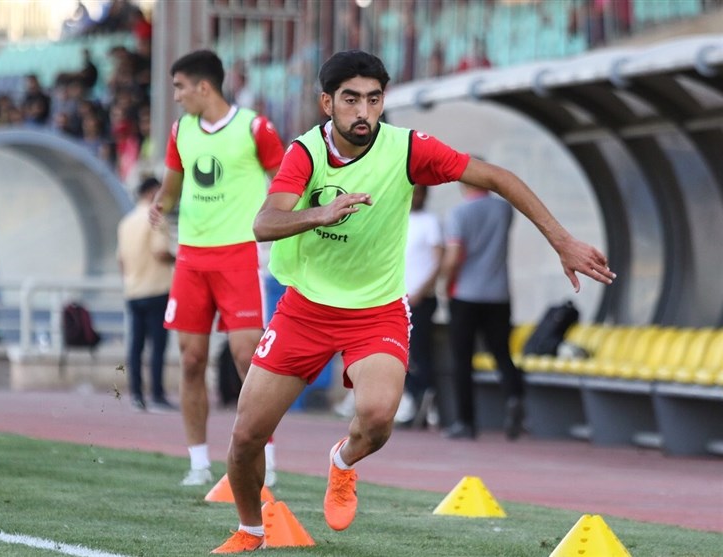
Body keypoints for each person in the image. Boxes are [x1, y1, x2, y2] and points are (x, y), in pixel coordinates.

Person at [212, 49, 615, 554]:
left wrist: (563, 241)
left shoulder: (407, 149)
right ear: (327, 103)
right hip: (305, 309)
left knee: (379, 418)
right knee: (246, 437)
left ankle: (342, 462)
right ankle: (250, 531)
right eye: (351, 100)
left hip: (376, 310)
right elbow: (264, 223)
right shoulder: (306, 153)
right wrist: (320, 213)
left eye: (373, 99)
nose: (363, 111)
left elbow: (497, 178)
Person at [148, 50, 285, 488]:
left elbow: (287, 181)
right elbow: (172, 186)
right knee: (191, 360)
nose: (176, 96)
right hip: (191, 257)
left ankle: (266, 457)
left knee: (248, 357)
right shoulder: (180, 131)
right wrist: (160, 204)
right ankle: (198, 464)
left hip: (240, 255)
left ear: (203, 87)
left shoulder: (255, 127)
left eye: (179, 87)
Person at [441, 180, 523, 441]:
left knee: (462, 359)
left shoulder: (459, 213)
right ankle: (514, 396)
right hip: (499, 294)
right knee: (501, 352)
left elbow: (454, 256)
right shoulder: (504, 210)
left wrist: (445, 282)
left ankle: (466, 422)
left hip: (465, 293)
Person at [117, 177, 176, 412]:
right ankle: (157, 395)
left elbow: (121, 260)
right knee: (158, 346)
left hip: (133, 289)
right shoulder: (156, 218)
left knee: (136, 346)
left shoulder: (126, 222)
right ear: (152, 192)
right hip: (156, 287)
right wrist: (179, 258)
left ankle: (136, 395)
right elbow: (160, 251)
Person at [395, 185, 443, 427]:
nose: (415, 198)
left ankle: (425, 404)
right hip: (397, 299)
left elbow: (438, 261)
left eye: (419, 193)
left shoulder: (430, 222)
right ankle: (408, 403)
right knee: (401, 354)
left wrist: (421, 291)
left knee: (419, 353)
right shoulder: (397, 220)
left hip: (419, 300)